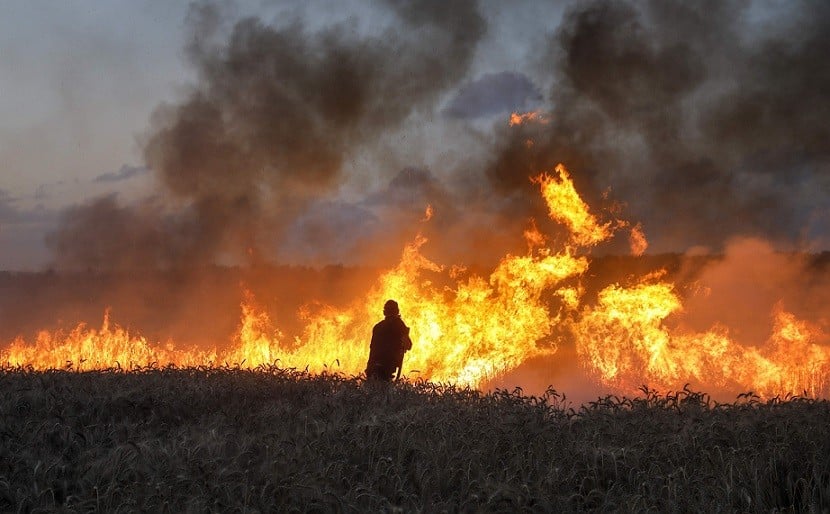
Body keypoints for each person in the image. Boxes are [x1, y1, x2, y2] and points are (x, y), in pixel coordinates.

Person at [365, 299, 412, 382]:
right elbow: (408, 345)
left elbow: (372, 348)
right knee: (384, 390)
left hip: (372, 366)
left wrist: (369, 367)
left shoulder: (377, 326)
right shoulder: (399, 324)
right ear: (397, 311)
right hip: (388, 366)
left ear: (384, 312)